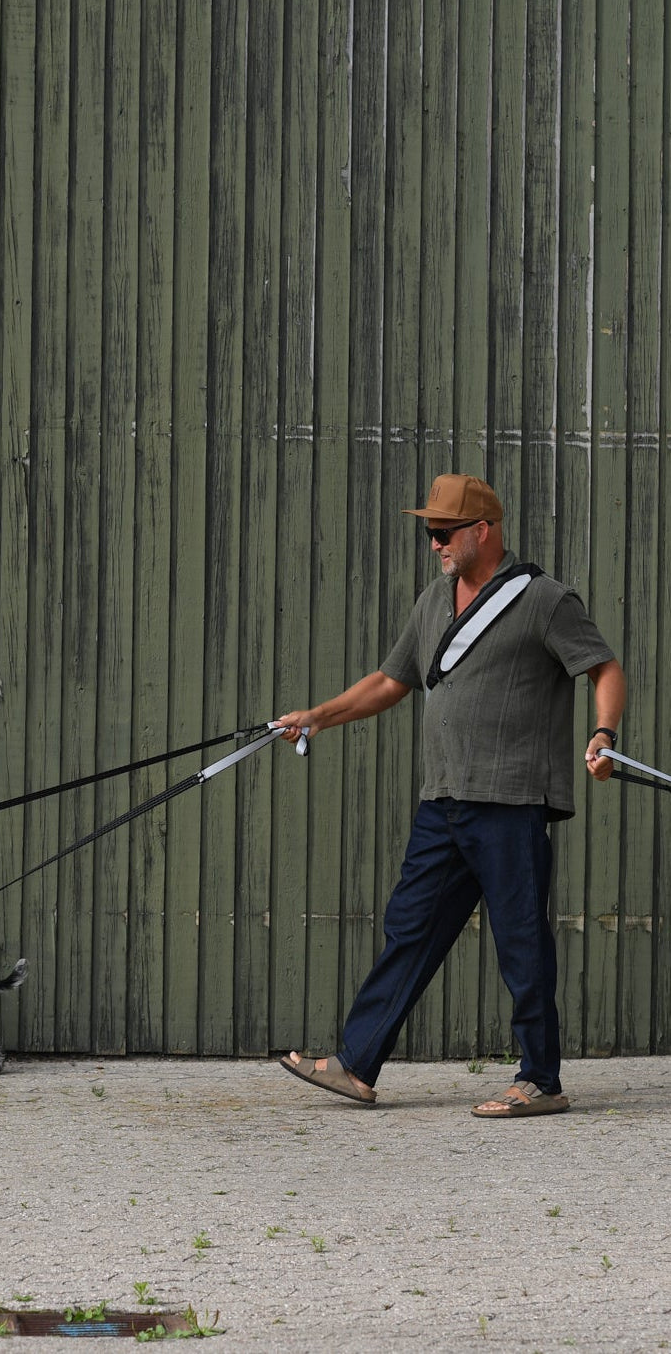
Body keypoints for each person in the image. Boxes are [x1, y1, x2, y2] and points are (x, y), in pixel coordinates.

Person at [274, 473, 626, 1118]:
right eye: (430, 532)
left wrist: (604, 734)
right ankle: (357, 1065)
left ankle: (540, 1081)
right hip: (443, 801)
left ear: (482, 531)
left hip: (510, 802)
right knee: (409, 930)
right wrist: (318, 717)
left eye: (443, 532)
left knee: (521, 942)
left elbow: (603, 667)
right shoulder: (434, 600)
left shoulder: (544, 600)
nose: (434, 543)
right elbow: (391, 681)